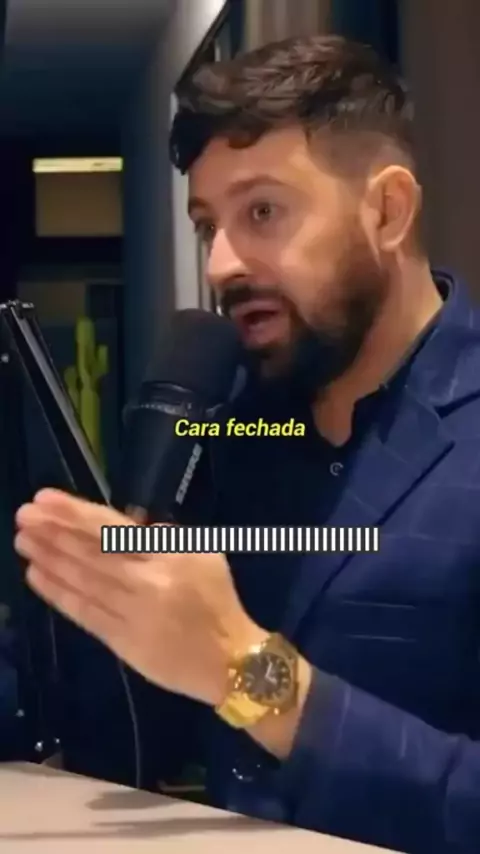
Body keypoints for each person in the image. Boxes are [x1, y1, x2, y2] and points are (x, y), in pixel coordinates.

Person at [12, 35, 480, 854]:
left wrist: (250, 675)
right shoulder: (227, 425)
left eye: (262, 212)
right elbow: (133, 705)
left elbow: (231, 664)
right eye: (209, 226)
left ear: (387, 211)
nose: (222, 264)